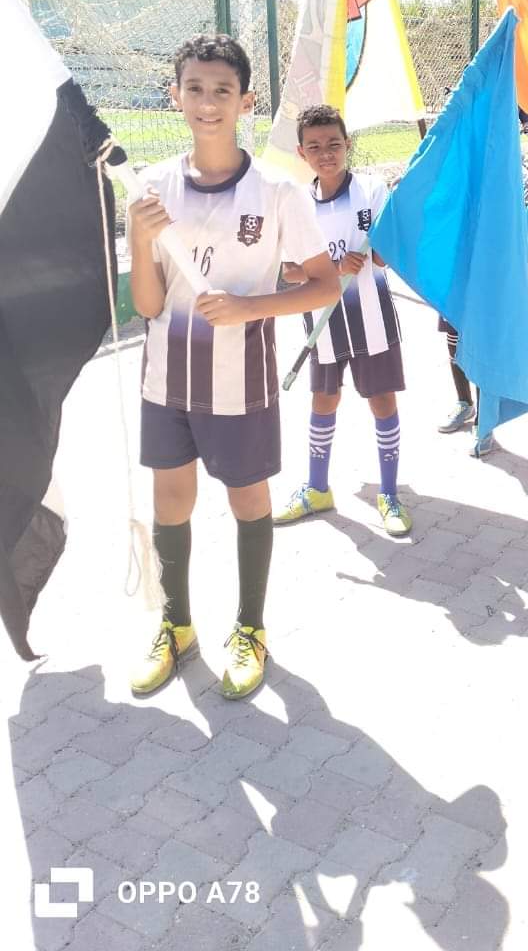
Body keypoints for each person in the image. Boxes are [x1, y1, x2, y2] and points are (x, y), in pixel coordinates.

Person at [127, 35, 339, 700]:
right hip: (165, 381)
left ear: (246, 102)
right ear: (175, 96)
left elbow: (325, 284)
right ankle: (176, 625)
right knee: (170, 502)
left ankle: (250, 629)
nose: (208, 102)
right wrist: (137, 235)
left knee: (248, 500)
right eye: (194, 88)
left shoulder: (277, 192)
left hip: (240, 382)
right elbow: (148, 305)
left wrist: (250, 307)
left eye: (222, 90)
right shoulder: (152, 188)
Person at [273, 105, 413, 537]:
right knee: (324, 401)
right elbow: (290, 272)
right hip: (323, 324)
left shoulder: (372, 190)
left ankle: (389, 494)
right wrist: (333, 268)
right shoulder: (296, 204)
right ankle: (317, 489)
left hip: (372, 318)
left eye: (334, 144)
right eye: (315, 147)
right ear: (302, 153)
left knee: (382, 401)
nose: (326, 153)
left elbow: (386, 257)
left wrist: (376, 247)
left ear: (348, 144)